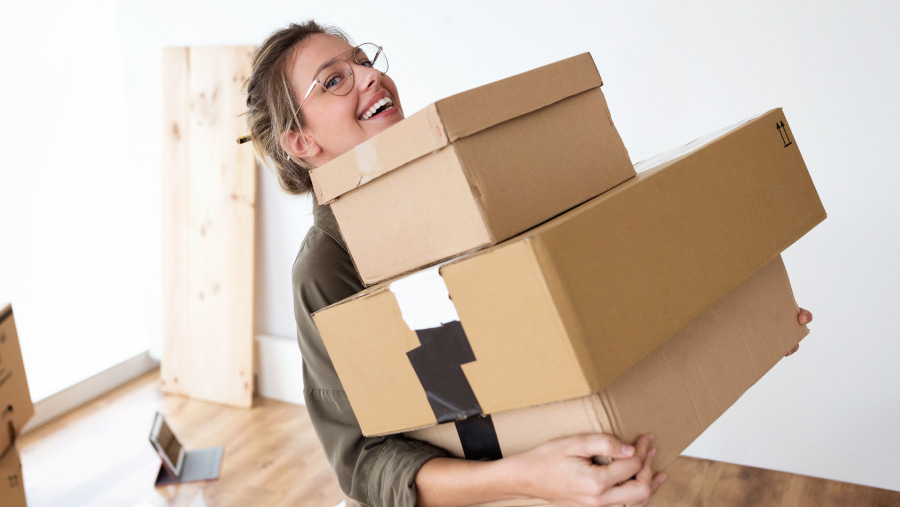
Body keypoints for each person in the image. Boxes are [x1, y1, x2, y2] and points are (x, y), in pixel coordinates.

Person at [243, 20, 813, 507]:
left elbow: (587, 303)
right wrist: (531, 475)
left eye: (363, 61)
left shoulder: (466, 186)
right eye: (334, 80)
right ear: (301, 142)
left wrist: (741, 321)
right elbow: (366, 464)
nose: (368, 76)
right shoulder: (324, 269)